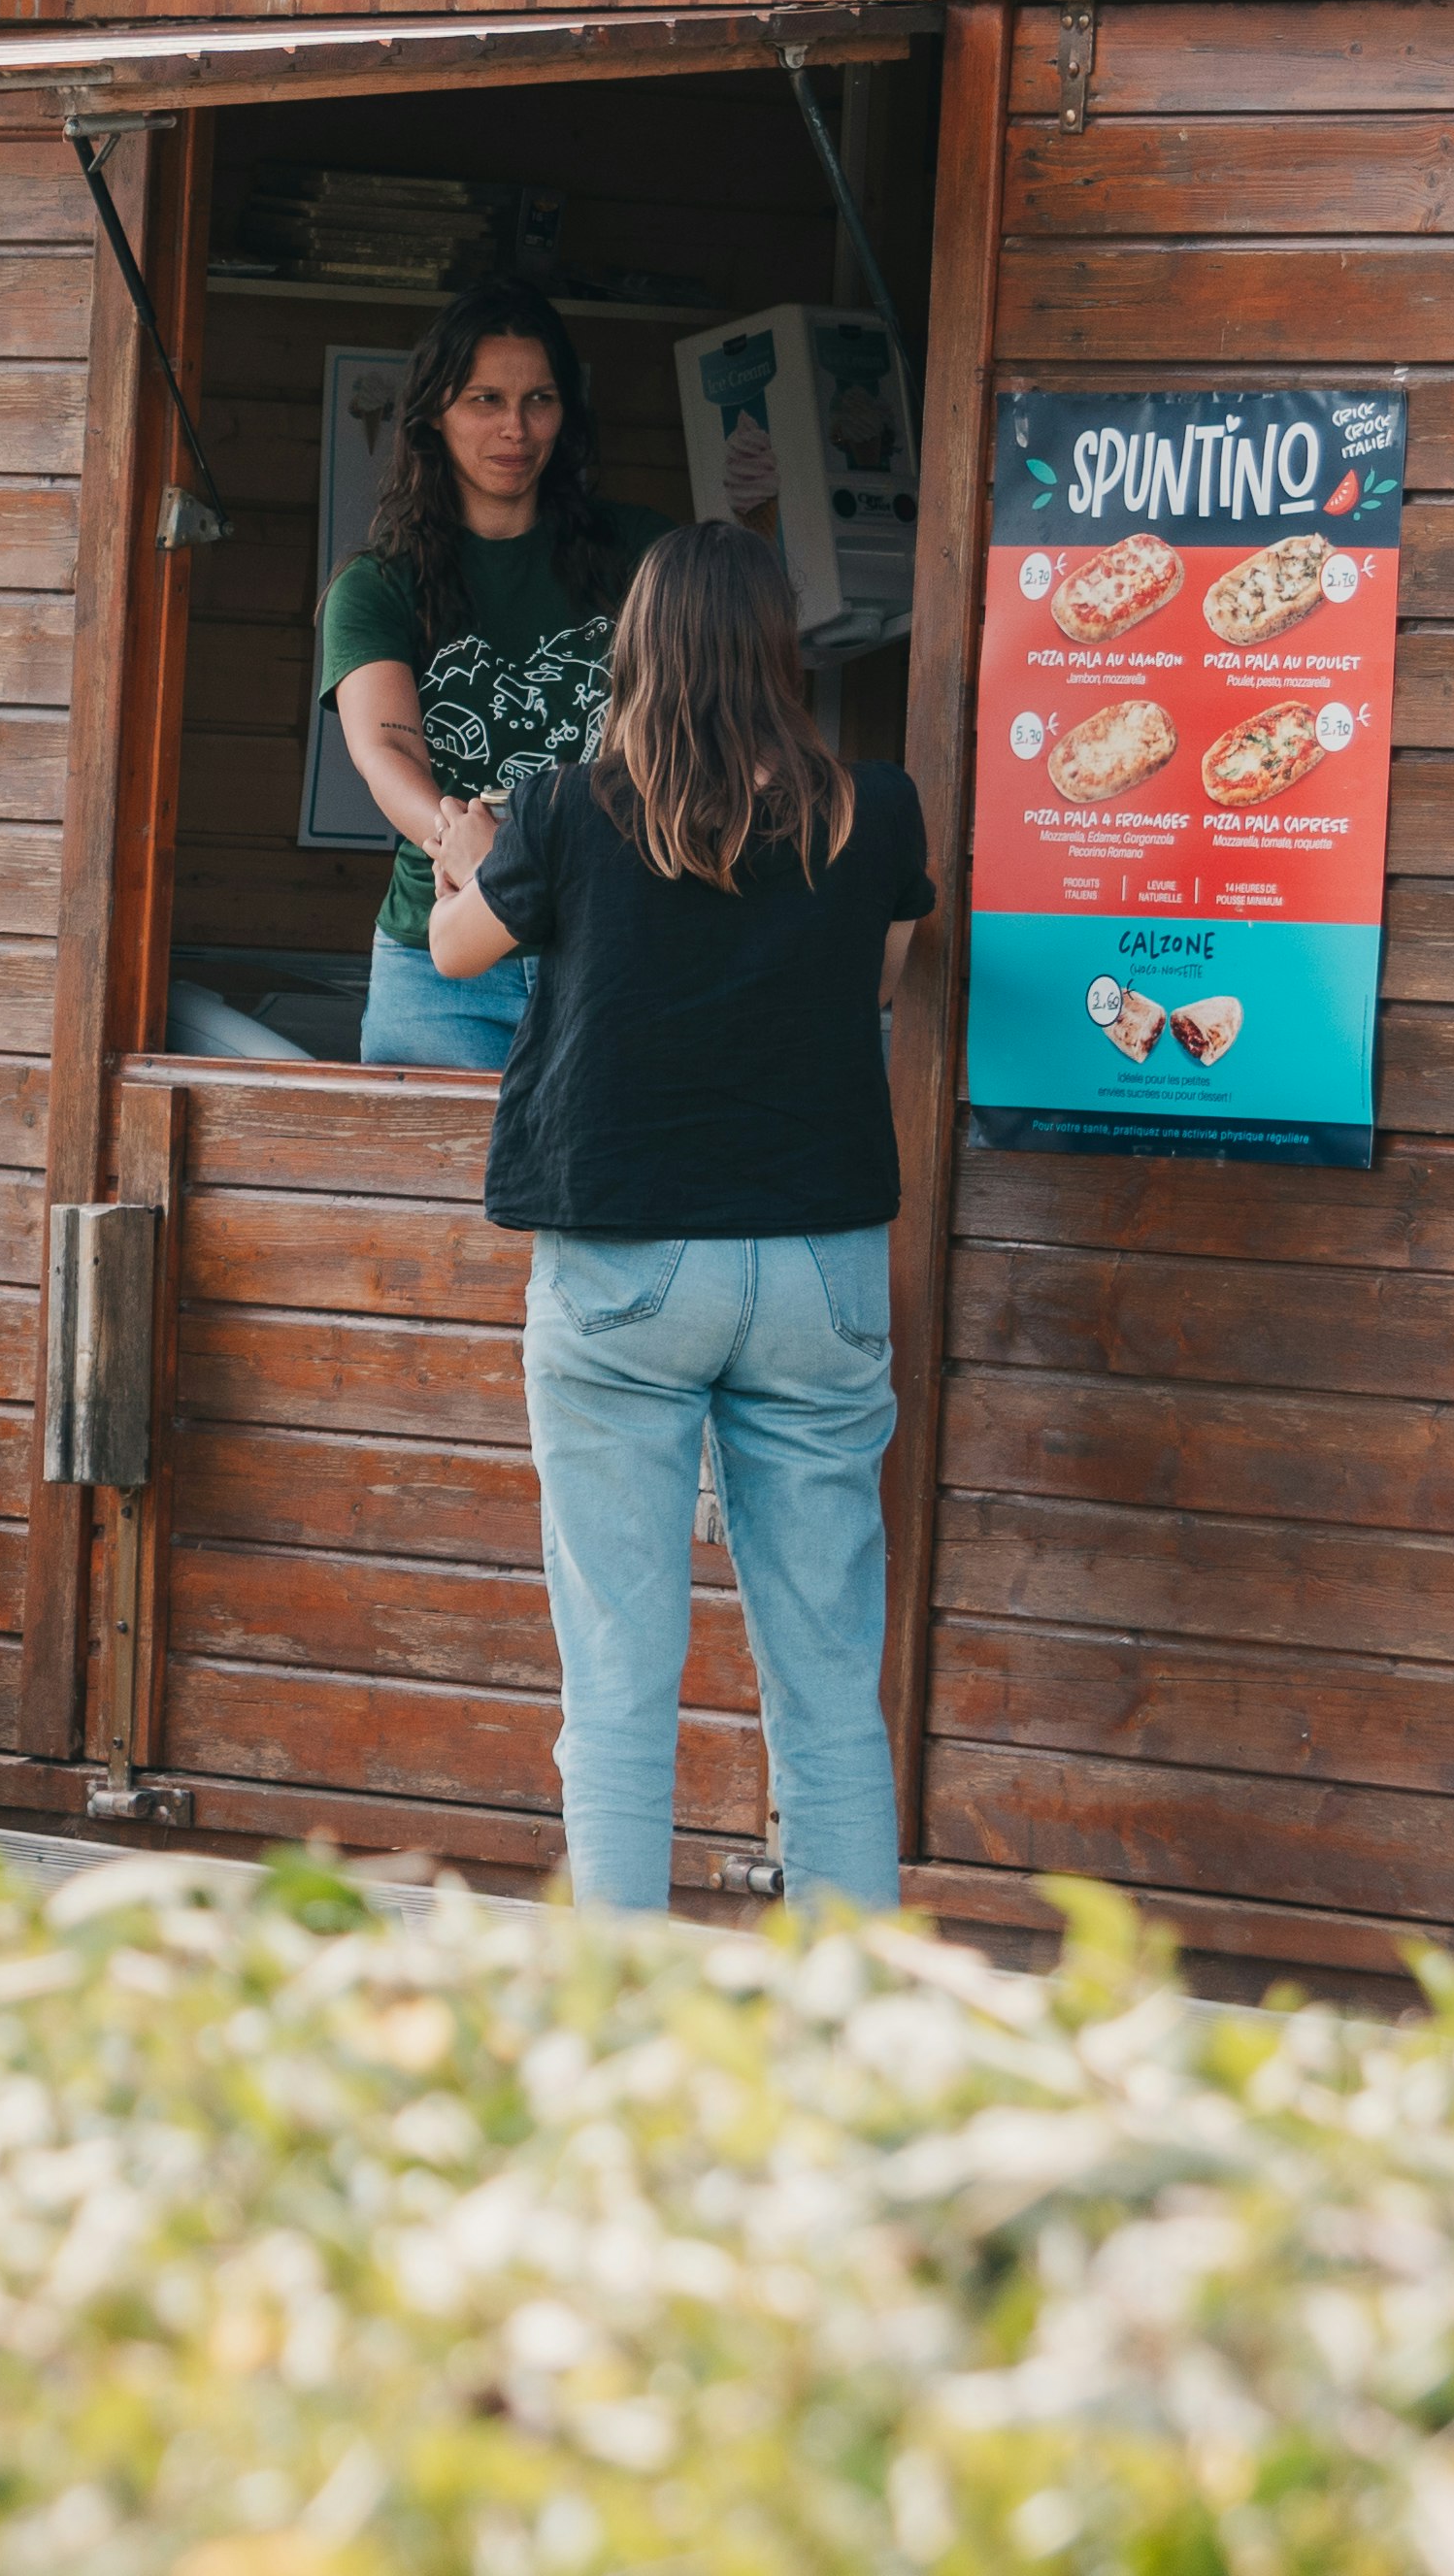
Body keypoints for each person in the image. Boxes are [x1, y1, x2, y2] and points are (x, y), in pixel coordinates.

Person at [430, 518, 930, 1915]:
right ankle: (853, 2002)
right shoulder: (873, 810)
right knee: (828, 1679)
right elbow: (881, 976)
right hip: (821, 1267)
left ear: (638, 651)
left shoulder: (565, 810)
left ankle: (622, 2005)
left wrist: (466, 852)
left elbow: (454, 949)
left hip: (628, 1267)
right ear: (781, 651)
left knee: (618, 1677)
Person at [317, 283, 644, 1068]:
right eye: (485, 399)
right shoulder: (377, 584)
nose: (515, 428)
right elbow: (388, 751)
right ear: (434, 412)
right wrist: (473, 853)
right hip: (441, 964)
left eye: (539, 400)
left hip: (608, 946)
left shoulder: (643, 556)